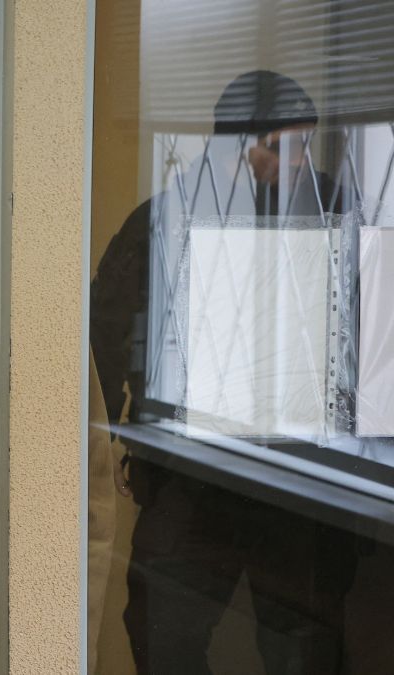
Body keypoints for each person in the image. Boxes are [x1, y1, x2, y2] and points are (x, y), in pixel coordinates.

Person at [91, 70, 358, 674]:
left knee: (303, 647)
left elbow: (369, 337)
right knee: (163, 632)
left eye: (304, 147)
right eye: (287, 147)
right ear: (243, 145)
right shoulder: (166, 217)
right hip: (193, 476)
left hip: (303, 481)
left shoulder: (332, 207)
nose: (300, 163)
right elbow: (106, 331)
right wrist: (108, 440)